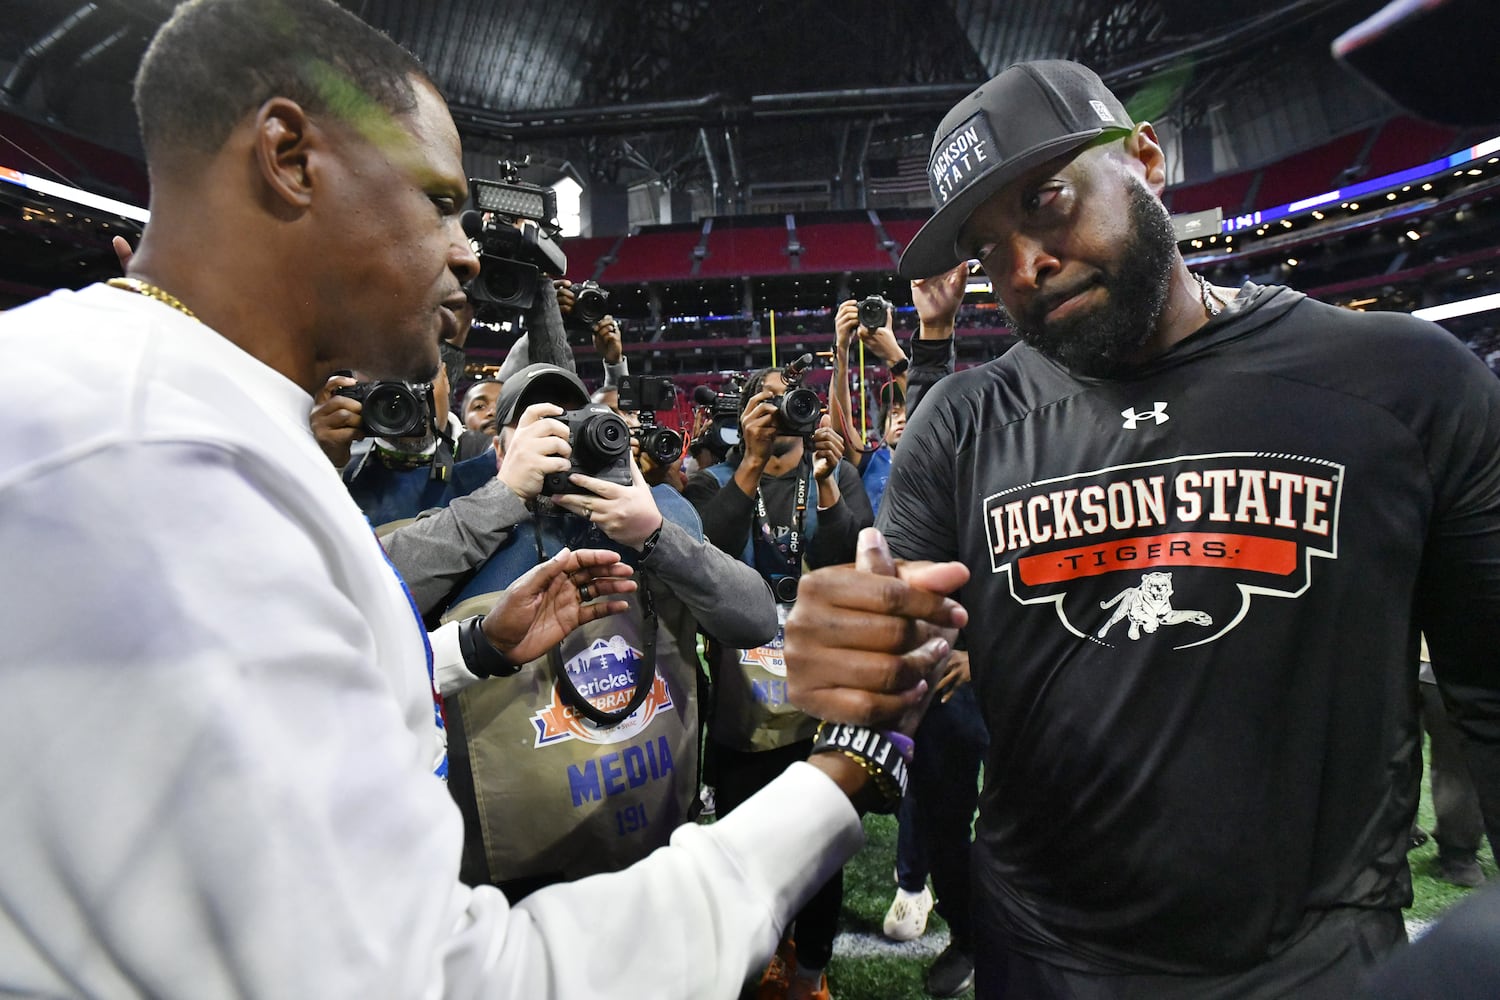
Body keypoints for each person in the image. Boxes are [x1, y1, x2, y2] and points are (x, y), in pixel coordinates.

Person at [0, 2, 950, 996]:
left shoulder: (158, 417)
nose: (464, 253)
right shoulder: (149, 459)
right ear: (289, 155)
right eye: (439, 200)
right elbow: (440, 979)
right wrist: (847, 763)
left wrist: (469, 648)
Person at [785, 59, 1500, 999]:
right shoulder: (956, 425)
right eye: (988, 250)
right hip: (1041, 960)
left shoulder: (1408, 384)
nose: (1024, 265)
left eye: (1046, 201)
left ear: (1147, 161)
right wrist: (855, 658)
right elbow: (906, 654)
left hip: (1320, 968)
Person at [425, 362, 778, 899]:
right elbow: (378, 590)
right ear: (502, 451)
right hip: (520, 863)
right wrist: (503, 498)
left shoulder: (653, 512)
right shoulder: (465, 525)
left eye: (573, 425)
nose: (560, 443)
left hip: (648, 832)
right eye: (540, 429)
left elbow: (754, 619)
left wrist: (655, 534)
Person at [684, 369, 873, 1000]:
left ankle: (811, 972)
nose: (780, 410)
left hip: (820, 701)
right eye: (763, 400)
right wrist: (751, 462)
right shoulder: (713, 480)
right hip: (745, 705)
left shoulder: (833, 475)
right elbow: (703, 557)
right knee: (747, 849)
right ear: (745, 415)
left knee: (820, 852)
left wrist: (825, 487)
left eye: (787, 397)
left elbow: (856, 560)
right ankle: (767, 952)